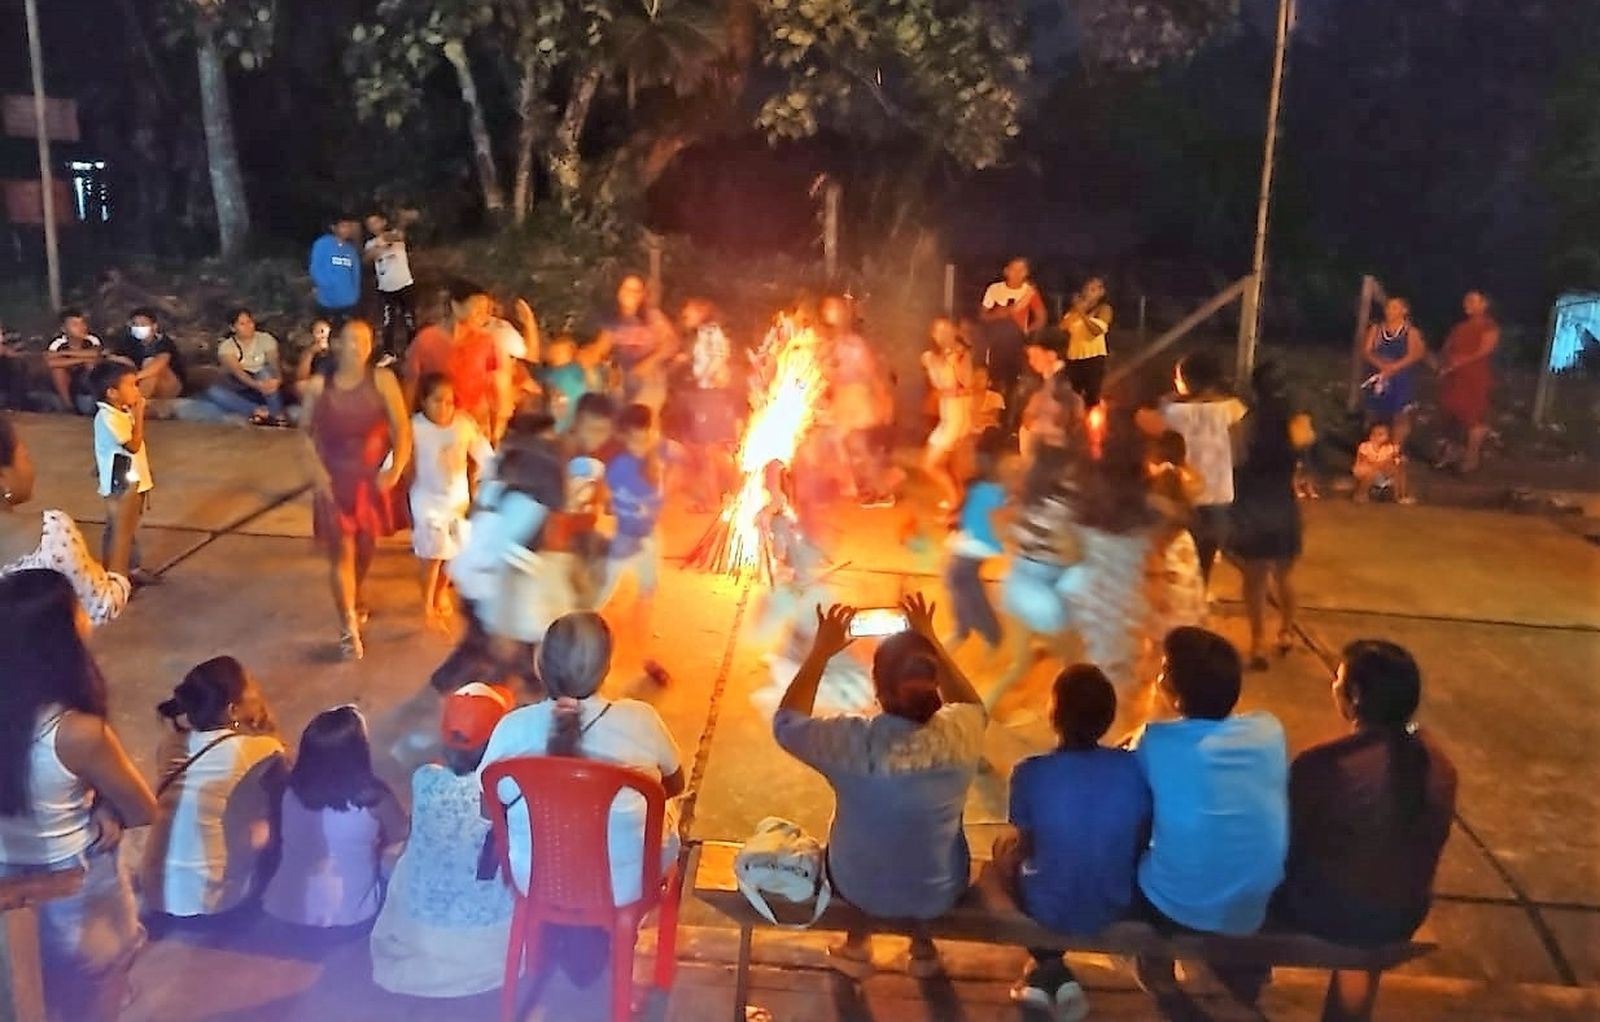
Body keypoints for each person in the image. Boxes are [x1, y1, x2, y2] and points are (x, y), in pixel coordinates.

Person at [774, 595, 987, 979]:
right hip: (940, 888)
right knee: (920, 843)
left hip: (859, 886)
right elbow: (974, 705)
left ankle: (856, 947)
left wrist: (821, 652)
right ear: (934, 682)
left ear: (878, 689)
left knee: (860, 844)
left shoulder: (852, 743)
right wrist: (930, 637)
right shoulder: (962, 731)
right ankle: (922, 948)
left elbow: (786, 723)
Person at [0, 569, 157, 1021]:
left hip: (10, 881)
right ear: (60, 636)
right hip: (73, 885)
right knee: (96, 992)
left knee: (32, 991)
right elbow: (141, 808)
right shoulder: (76, 733)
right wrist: (108, 805)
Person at [1274, 641, 1457, 1021]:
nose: (1334, 687)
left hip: (1333, 912)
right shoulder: (1437, 762)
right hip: (1404, 912)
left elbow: (1283, 844)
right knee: (1370, 884)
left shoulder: (1326, 764)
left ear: (1353, 696)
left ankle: (1237, 994)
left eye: (1338, 680)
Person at [478, 613, 686, 906]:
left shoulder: (511, 728)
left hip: (533, 881)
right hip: (626, 887)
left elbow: (489, 811)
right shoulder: (641, 721)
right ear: (606, 669)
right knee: (662, 802)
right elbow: (675, 784)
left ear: (540, 667)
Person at [1130, 626, 1288, 1002]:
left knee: (1133, 846)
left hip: (1174, 905)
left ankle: (1157, 970)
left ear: (1175, 692)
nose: (1159, 674)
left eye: (1165, 669)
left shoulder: (1153, 740)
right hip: (1253, 904)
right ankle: (1240, 976)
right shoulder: (1268, 729)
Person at [994, 665, 1152, 1021]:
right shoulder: (1132, 769)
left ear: (1053, 715)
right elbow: (1139, 839)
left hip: (1050, 908)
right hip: (1115, 902)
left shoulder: (1030, 772)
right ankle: (1053, 976)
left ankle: (1046, 965)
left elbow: (1029, 847)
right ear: (1109, 718)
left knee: (1003, 854)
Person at [371, 683, 517, 997]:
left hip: (420, 936)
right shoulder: (508, 790)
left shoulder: (425, 779)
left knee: (401, 857)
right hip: (490, 947)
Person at [140, 656, 287, 923]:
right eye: (252, 692)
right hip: (216, 905)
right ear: (232, 710)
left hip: (157, 896)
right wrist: (266, 726)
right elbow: (288, 802)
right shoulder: (261, 749)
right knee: (278, 824)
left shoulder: (170, 745)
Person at [300, 319, 412, 660]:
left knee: (366, 547)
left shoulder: (383, 379)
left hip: (370, 477)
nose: (356, 346)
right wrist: (316, 472)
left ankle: (356, 593)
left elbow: (401, 429)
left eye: (363, 339)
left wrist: (396, 467)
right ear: (336, 344)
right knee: (342, 552)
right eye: (349, 339)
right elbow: (304, 432)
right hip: (334, 478)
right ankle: (347, 625)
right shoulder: (321, 386)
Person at [261, 706, 408, 931]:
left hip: (283, 913)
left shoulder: (289, 789)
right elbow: (401, 834)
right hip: (349, 921)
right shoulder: (373, 797)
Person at [1, 414, 132, 624]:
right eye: (24, 456)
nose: (31, 464)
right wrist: (122, 527)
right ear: (3, 478)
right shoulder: (50, 534)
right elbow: (102, 607)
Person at [1228, 363, 1307, 671]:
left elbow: (1236, 459)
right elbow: (1305, 450)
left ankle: (1258, 643)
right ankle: (1286, 631)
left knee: (1255, 579)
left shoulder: (1247, 423)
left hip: (1253, 504)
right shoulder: (1296, 423)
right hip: (1283, 503)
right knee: (1284, 575)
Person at [410, 373, 495, 627]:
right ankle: (426, 602)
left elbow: (485, 454)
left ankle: (440, 593)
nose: (444, 407)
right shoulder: (415, 427)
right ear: (424, 401)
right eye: (437, 401)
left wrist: (497, 475)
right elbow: (397, 455)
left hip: (457, 499)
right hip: (426, 498)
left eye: (449, 401)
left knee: (453, 552)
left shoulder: (464, 425)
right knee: (432, 554)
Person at [1158, 351, 1246, 588]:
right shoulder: (1233, 409)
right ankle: (1201, 596)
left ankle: (1181, 601)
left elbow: (1163, 429)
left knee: (1179, 555)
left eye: (1178, 377)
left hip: (1185, 494)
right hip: (1220, 493)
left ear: (1188, 381)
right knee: (1205, 557)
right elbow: (1238, 451)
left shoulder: (1174, 411)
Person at [600, 404, 667, 681]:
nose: (641, 444)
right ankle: (592, 654)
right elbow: (603, 502)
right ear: (624, 437)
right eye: (634, 438)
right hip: (624, 540)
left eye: (646, 435)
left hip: (649, 538)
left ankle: (644, 657)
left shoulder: (661, 453)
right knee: (602, 599)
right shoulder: (619, 467)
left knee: (645, 597)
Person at [405, 279, 508, 440]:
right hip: (437, 426)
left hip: (475, 427)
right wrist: (407, 426)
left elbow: (497, 388)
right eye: (477, 308)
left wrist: (497, 427)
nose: (484, 315)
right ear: (455, 306)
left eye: (486, 310)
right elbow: (411, 385)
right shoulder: (426, 340)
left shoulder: (486, 342)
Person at [820, 295, 895, 508]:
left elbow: (871, 374)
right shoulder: (832, 343)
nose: (828, 313)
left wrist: (882, 401)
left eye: (832, 309)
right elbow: (829, 374)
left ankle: (877, 491)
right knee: (849, 444)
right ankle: (869, 489)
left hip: (856, 397)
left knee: (853, 445)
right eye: (826, 309)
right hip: (843, 397)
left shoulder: (854, 343)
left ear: (843, 314)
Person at [1142, 430, 1207, 668]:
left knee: (1157, 653)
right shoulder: (1186, 487)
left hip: (1163, 596)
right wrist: (1178, 464)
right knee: (1181, 653)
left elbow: (1153, 564)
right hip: (1185, 597)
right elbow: (1200, 483)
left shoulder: (1152, 509)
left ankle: (1158, 693)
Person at [943, 428, 1006, 657]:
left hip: (980, 539)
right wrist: (956, 519)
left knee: (959, 579)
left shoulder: (992, 484)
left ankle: (987, 632)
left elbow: (990, 515)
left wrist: (960, 525)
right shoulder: (981, 480)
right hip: (974, 537)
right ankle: (967, 629)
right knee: (958, 580)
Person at [91, 361, 155, 582]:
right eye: (131, 385)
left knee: (128, 526)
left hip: (132, 480)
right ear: (112, 393)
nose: (137, 390)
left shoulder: (120, 412)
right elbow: (133, 445)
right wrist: (139, 415)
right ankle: (114, 571)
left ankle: (131, 567)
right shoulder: (108, 417)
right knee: (118, 528)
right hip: (119, 484)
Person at [679, 299, 739, 512]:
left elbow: (719, 357)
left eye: (689, 311)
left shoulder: (710, 332)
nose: (684, 314)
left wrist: (707, 376)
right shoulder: (706, 333)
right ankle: (730, 494)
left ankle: (716, 499)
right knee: (712, 450)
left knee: (709, 451)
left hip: (710, 394)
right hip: (710, 393)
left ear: (700, 311)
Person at [1435, 290, 1500, 473]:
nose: (1468, 304)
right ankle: (1451, 453)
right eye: (1466, 301)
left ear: (1484, 304)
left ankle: (1471, 458)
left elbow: (1484, 349)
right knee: (1452, 415)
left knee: (1473, 417)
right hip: (1454, 377)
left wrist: (1460, 361)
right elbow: (1447, 348)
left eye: (1473, 301)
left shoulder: (1489, 326)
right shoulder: (1459, 327)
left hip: (1474, 376)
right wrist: (1444, 365)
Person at [979, 258, 1047, 422]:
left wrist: (1028, 332)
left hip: (1016, 343)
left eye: (1022, 270)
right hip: (996, 343)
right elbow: (983, 315)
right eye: (1014, 269)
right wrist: (999, 314)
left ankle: (1010, 423)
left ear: (1026, 273)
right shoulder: (995, 290)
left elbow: (1041, 317)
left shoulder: (1029, 292)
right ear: (1006, 271)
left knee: (1014, 384)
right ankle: (992, 423)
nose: (1017, 273)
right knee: (995, 384)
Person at [598, 274, 677, 415]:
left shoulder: (652, 316)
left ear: (642, 295)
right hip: (622, 376)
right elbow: (601, 348)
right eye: (626, 288)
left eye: (636, 290)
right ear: (618, 291)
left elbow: (671, 344)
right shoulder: (612, 319)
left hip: (649, 376)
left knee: (643, 416)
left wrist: (649, 362)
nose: (631, 293)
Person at [921, 318, 974, 511]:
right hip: (947, 416)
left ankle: (955, 502)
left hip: (957, 417)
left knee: (930, 464)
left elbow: (967, 385)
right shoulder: (934, 356)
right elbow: (938, 386)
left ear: (955, 332)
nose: (942, 335)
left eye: (946, 330)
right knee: (946, 465)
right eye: (937, 331)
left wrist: (955, 361)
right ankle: (958, 498)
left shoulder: (961, 355)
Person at [1361, 297, 1427, 448]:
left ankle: (1396, 449)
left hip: (1400, 378)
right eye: (1388, 307)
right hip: (1378, 376)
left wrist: (1394, 367)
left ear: (1404, 310)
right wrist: (1381, 365)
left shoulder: (1410, 332)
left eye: (1395, 307)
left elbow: (1415, 354)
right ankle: (1373, 448)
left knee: (1400, 415)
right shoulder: (1376, 329)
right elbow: (1366, 351)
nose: (1390, 311)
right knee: (1374, 412)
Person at [206, 307, 289, 425]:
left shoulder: (265, 338)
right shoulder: (226, 347)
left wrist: (277, 379)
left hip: (268, 387)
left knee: (264, 372)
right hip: (245, 387)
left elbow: (274, 363)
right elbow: (238, 372)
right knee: (214, 392)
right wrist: (256, 385)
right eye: (242, 324)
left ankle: (277, 414)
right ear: (233, 328)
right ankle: (258, 411)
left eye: (249, 322)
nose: (248, 327)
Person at [363, 212, 417, 362]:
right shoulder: (370, 244)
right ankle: (389, 353)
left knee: (409, 319)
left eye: (376, 222)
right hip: (386, 288)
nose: (373, 226)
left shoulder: (395, 235)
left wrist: (385, 241)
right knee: (388, 322)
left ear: (383, 221)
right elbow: (367, 258)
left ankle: (413, 349)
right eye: (370, 224)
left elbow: (399, 236)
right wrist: (377, 249)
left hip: (405, 284)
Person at [110, 306, 186, 401]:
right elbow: (113, 357)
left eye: (143, 324)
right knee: (122, 361)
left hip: (170, 386)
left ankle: (137, 403)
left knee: (150, 363)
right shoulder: (128, 341)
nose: (138, 328)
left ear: (154, 326)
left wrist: (136, 376)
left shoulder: (163, 342)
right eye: (135, 324)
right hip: (140, 382)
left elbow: (160, 363)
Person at [545, 332, 613, 433]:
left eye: (558, 353)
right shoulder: (551, 377)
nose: (554, 358)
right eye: (552, 355)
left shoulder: (583, 373)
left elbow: (596, 391)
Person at [1061, 276, 1113, 407]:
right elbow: (1063, 326)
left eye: (1095, 289)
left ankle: (1092, 424)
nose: (1090, 292)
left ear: (1102, 292)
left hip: (1094, 357)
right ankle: (1075, 424)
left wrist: (1082, 314)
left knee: (1092, 396)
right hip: (1074, 357)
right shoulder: (1075, 309)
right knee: (1073, 396)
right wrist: (1078, 310)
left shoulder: (1104, 309)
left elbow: (1096, 331)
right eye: (1088, 289)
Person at [45, 308, 105, 414]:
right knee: (57, 370)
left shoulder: (92, 339)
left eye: (82, 324)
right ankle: (69, 406)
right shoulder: (58, 343)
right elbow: (50, 362)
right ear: (64, 328)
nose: (81, 328)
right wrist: (82, 359)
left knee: (91, 365)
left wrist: (64, 354)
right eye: (75, 325)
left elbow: (95, 354)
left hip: (85, 376)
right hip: (68, 379)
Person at [309, 215, 363, 325]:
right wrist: (326, 285)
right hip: (327, 299)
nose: (347, 230)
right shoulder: (322, 244)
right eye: (343, 226)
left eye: (349, 227)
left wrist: (355, 295)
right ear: (334, 228)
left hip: (348, 301)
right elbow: (315, 268)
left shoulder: (351, 250)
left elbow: (355, 274)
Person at [1353, 423, 1409, 504]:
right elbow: (1364, 461)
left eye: (1380, 434)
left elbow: (1393, 461)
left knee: (1398, 470)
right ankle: (1361, 494)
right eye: (1374, 434)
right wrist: (1379, 465)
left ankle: (1400, 496)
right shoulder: (1365, 446)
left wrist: (1399, 460)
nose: (1376, 436)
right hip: (1365, 471)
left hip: (1382, 472)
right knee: (1370, 471)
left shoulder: (1390, 448)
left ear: (1387, 436)